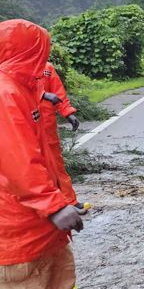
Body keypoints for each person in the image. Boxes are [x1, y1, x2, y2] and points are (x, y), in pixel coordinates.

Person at [0, 19, 111, 289]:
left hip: (38, 216)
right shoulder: (3, 93)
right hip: (16, 222)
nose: (46, 57)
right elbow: (18, 160)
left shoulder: (21, 88)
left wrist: (49, 99)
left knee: (58, 282)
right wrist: (54, 206)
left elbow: (43, 152)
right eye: (41, 50)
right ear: (27, 50)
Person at [40, 62, 90, 215]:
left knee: (56, 165)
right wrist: (41, 95)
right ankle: (40, 207)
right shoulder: (11, 67)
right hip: (22, 126)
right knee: (30, 167)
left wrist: (67, 112)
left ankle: (69, 202)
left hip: (47, 126)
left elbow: (57, 91)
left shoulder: (46, 68)